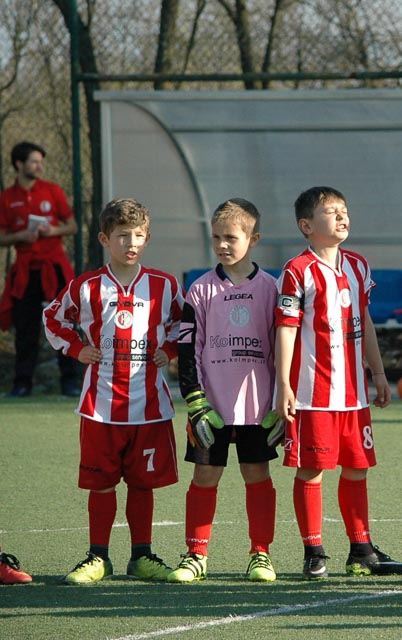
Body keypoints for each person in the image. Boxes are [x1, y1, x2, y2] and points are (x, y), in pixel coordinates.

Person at [275, 186, 402, 580]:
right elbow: (286, 329)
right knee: (312, 471)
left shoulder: (358, 266)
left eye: (343, 209)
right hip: (312, 395)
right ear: (306, 225)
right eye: (330, 211)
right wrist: (284, 384)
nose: (341, 216)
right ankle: (313, 551)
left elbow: (365, 321)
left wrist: (378, 373)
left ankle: (361, 549)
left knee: (357, 468)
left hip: (354, 396)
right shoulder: (297, 270)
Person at [43, 198, 181, 584]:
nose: (130, 243)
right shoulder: (86, 286)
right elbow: (52, 318)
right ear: (105, 239)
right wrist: (76, 349)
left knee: (142, 483)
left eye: (138, 235)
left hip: (149, 406)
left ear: (147, 238)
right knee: (101, 484)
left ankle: (142, 556)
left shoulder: (164, 285)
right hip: (100, 405)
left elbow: (186, 324)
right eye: (122, 235)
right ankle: (98, 557)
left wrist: (169, 350)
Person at [167, 198, 281, 584]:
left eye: (231, 237)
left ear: (254, 239)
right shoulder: (199, 290)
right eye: (216, 237)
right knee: (204, 475)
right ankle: (196, 555)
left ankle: (260, 554)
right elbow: (188, 348)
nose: (222, 244)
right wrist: (195, 401)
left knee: (257, 473)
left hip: (258, 408)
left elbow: (284, 349)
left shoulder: (272, 288)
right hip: (211, 407)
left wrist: (280, 401)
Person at [0, 141, 80, 397]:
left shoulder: (52, 191)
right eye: (34, 162)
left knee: (64, 321)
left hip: (53, 267)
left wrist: (52, 230)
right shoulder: (7, 198)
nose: (39, 166)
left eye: (40, 162)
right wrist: (20, 236)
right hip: (26, 270)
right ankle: (22, 384)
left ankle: (70, 381)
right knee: (25, 327)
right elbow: (2, 236)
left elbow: (72, 226)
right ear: (19, 164)